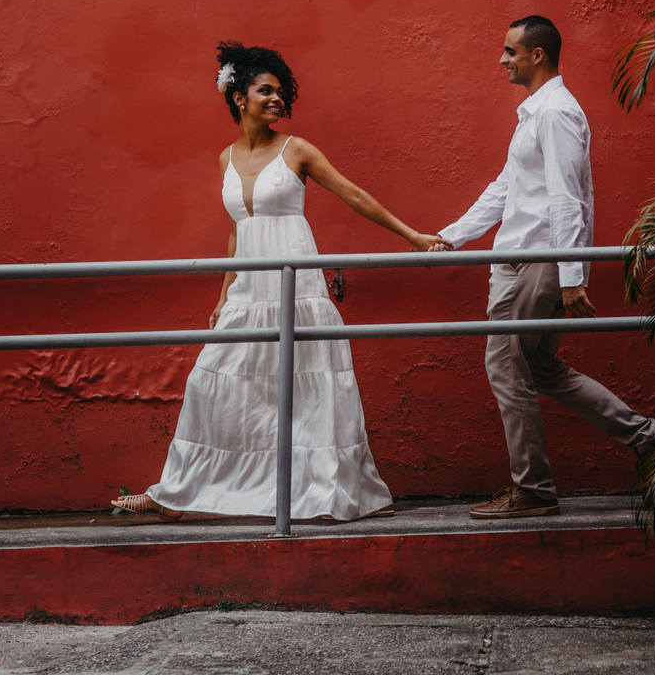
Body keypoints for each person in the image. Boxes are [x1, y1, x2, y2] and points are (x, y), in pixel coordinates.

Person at [112, 42, 443, 520]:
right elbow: (235, 232)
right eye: (265, 90)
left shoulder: (297, 150)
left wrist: (412, 236)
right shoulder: (224, 159)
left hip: (296, 285)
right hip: (249, 292)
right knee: (212, 384)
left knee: (309, 388)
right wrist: (224, 294)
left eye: (280, 92)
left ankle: (329, 493)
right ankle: (179, 491)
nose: (276, 99)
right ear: (238, 98)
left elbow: (352, 193)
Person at [434, 16, 655, 519]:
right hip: (523, 258)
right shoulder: (535, 114)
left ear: (536, 55)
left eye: (510, 51)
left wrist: (571, 277)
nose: (502, 60)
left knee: (505, 366)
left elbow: (568, 201)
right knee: (539, 366)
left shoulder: (556, 113)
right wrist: (448, 238)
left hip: (535, 259)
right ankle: (648, 435)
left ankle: (534, 490)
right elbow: (506, 188)